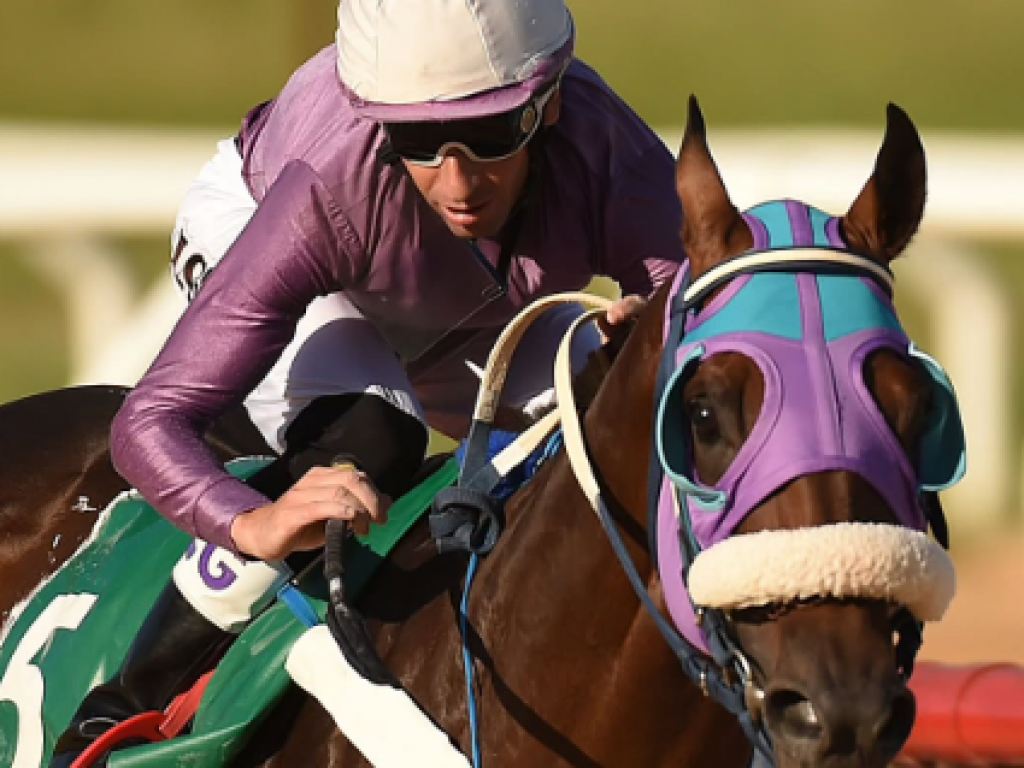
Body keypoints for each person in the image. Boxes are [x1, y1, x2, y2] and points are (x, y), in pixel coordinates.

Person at [50, 0, 687, 763]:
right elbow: (149, 422)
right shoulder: (329, 184)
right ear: (381, 124)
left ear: (548, 105)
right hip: (276, 238)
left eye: (489, 135)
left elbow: (710, 328)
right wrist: (248, 522)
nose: (456, 182)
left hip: (465, 304)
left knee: (626, 411)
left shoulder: (607, 147)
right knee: (375, 431)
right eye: (418, 140)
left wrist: (655, 339)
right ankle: (122, 702)